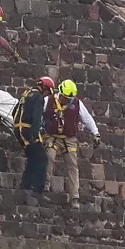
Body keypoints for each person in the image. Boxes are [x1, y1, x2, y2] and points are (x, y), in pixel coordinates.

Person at [43, 79, 99, 208]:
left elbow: (87, 118)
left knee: (72, 165)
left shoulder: (76, 103)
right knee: (49, 157)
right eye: (65, 98)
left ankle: (74, 196)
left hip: (69, 139)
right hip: (52, 136)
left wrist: (95, 133)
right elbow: (39, 113)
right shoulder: (49, 101)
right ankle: (45, 185)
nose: (67, 101)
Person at [12, 77, 55, 193]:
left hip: (18, 130)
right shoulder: (38, 97)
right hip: (29, 132)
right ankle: (38, 191)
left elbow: (14, 112)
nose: (46, 95)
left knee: (32, 158)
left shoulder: (26, 94)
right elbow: (36, 118)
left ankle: (25, 186)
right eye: (47, 92)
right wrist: (34, 135)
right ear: (45, 88)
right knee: (43, 159)